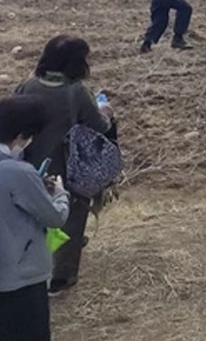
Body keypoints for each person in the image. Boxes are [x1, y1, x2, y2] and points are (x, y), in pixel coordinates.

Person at [15, 35, 114, 295]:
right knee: (72, 215)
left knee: (34, 214)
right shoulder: (76, 92)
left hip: (29, 163)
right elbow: (99, 126)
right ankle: (62, 276)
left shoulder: (28, 85)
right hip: (67, 166)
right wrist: (106, 109)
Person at [0, 95, 70, 341]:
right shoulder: (18, 172)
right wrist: (60, 195)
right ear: (20, 136)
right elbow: (54, 217)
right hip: (21, 278)